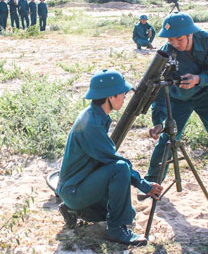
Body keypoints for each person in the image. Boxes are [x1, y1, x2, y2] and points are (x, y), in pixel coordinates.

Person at [140, 12, 208, 204]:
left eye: (179, 38)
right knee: (167, 138)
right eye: (171, 39)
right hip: (179, 100)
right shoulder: (166, 53)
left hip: (207, 94)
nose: (175, 43)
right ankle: (152, 183)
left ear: (190, 34)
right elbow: (159, 90)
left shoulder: (207, 40)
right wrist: (158, 121)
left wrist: (198, 79)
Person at [56, 69, 163, 246]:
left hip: (77, 184)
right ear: (109, 97)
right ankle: (115, 230)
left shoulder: (95, 115)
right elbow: (114, 162)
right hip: (74, 189)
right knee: (120, 168)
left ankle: (73, 210)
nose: (123, 97)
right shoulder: (91, 124)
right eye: (122, 93)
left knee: (127, 213)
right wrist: (145, 185)